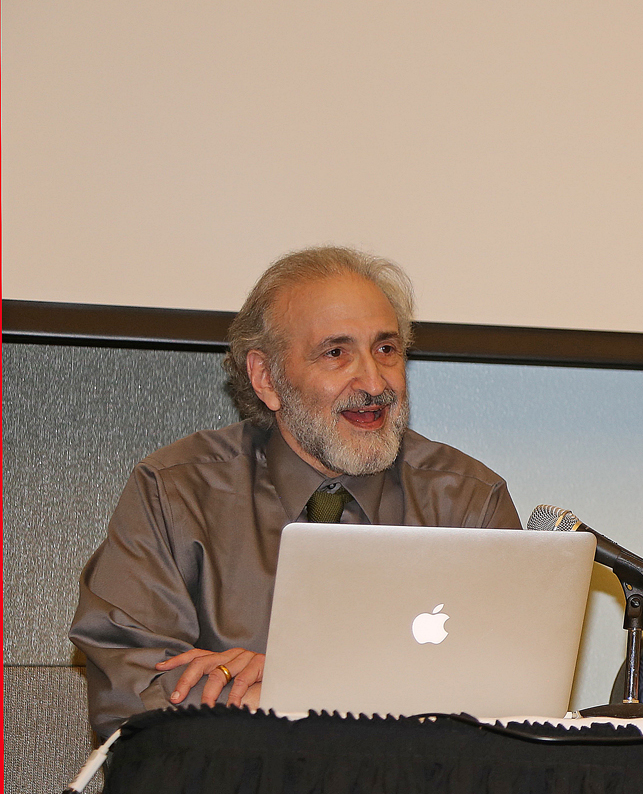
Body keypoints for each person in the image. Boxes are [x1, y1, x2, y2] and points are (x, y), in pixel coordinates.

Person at [70, 246, 522, 738]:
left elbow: (512, 696)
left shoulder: (468, 502)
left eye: (386, 350)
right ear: (267, 378)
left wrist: (282, 690)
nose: (374, 382)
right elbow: (132, 696)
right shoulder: (175, 494)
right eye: (336, 353)